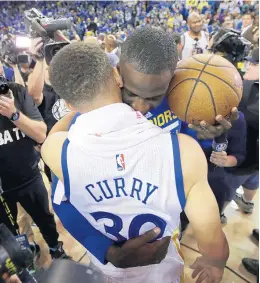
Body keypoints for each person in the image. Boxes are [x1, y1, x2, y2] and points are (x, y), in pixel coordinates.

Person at [46, 27, 237, 269]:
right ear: (116, 75)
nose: (140, 106)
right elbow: (61, 198)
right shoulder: (90, 114)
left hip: (163, 221)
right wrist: (106, 250)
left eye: (154, 97)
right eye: (130, 93)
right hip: (109, 241)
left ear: (173, 80)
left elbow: (190, 160)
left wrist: (210, 134)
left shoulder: (184, 100)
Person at [0, 79, 69, 259]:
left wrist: (13, 114)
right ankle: (24, 257)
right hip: (2, 188)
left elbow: (40, 133)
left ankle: (55, 248)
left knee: (45, 219)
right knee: (9, 232)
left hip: (29, 175)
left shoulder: (16, 92)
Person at [233, 48, 259, 214]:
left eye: (254, 63)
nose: (248, 66)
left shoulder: (248, 87)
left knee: (225, 180)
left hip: (244, 154)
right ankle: (247, 203)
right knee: (253, 177)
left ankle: (219, 212)